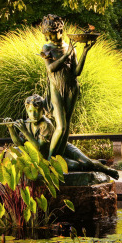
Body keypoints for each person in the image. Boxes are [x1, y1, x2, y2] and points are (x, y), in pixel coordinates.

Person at [7, 94, 119, 179]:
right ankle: (94, 163)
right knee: (76, 166)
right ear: (27, 110)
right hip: (52, 156)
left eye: (37, 111)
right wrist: (11, 129)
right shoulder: (27, 123)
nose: (33, 115)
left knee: (86, 163)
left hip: (62, 147)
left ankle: (104, 168)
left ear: (43, 111)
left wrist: (25, 132)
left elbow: (39, 147)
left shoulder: (46, 124)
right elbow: (19, 144)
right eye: (31, 111)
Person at [40, 14, 94, 159]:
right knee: (61, 126)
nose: (50, 38)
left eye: (53, 34)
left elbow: (77, 72)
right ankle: (50, 159)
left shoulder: (70, 47)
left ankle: (61, 157)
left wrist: (84, 52)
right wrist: (66, 55)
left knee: (67, 126)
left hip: (72, 87)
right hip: (56, 87)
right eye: (48, 35)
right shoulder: (47, 47)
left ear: (61, 31)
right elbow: (50, 68)